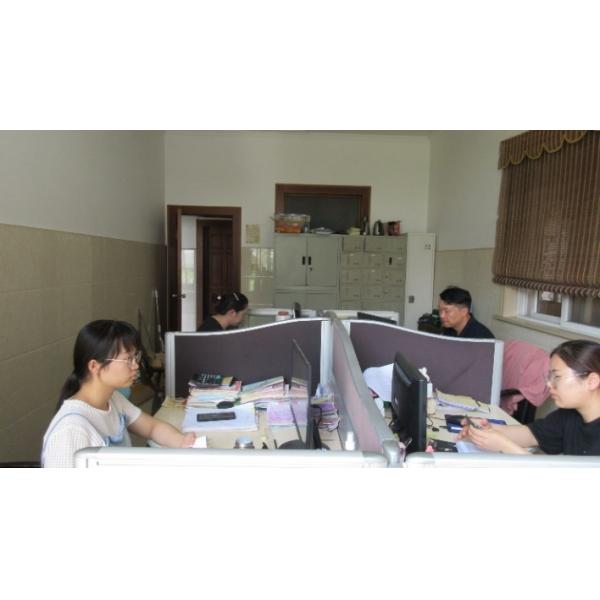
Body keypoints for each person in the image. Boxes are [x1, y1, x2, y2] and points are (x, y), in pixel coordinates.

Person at [42, 320, 196, 467]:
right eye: (127, 359)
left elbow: (152, 428)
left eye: (135, 357)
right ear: (94, 366)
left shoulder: (113, 399)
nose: (135, 366)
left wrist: (183, 442)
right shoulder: (70, 430)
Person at [457, 340, 600, 455]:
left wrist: (505, 446)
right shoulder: (569, 415)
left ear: (592, 381)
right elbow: (531, 434)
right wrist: (486, 430)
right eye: (549, 376)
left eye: (557, 377)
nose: (548, 384)